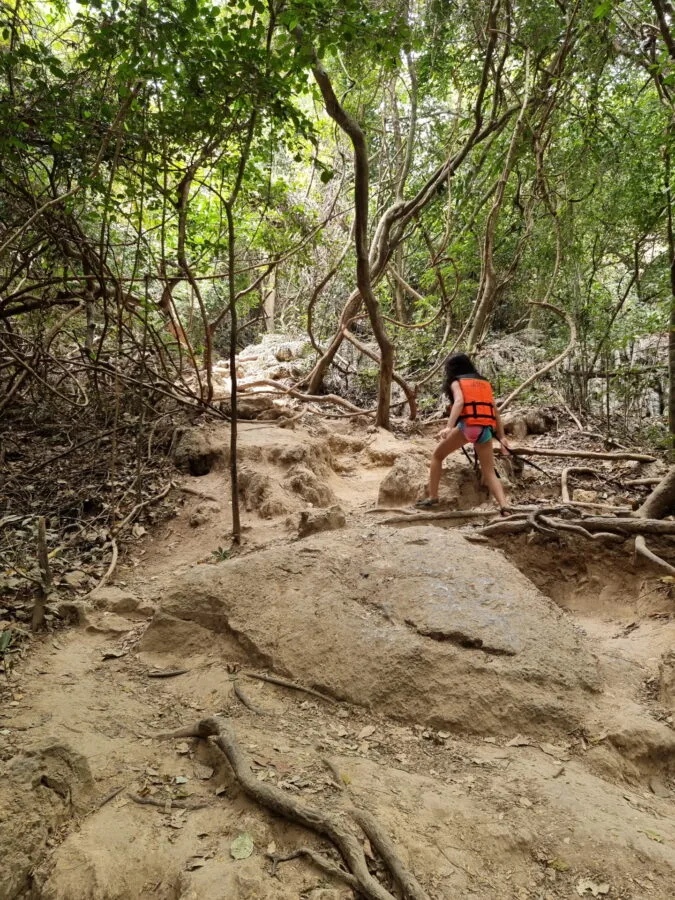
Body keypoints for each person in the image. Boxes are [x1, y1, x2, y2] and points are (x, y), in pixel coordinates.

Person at [415, 353, 510, 513]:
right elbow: (495, 411)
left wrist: (449, 427)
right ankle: (504, 506)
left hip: (468, 427)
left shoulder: (456, 382)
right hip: (485, 430)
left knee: (437, 456)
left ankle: (433, 497)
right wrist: (502, 437)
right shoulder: (484, 382)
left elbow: (459, 401)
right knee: (489, 472)